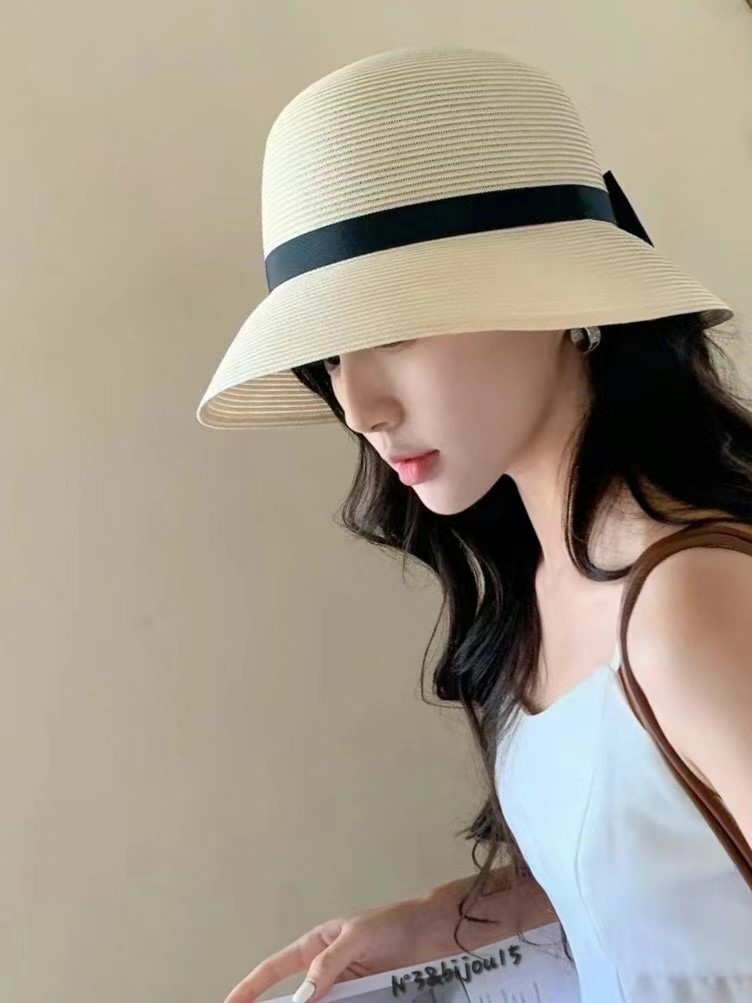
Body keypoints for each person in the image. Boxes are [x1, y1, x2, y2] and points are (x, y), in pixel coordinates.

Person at [195, 46, 752, 1002]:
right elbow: (661, 869)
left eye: (393, 329)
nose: (359, 405)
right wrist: (441, 919)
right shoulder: (544, 585)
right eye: (330, 358)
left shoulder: (689, 597)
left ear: (563, 300)